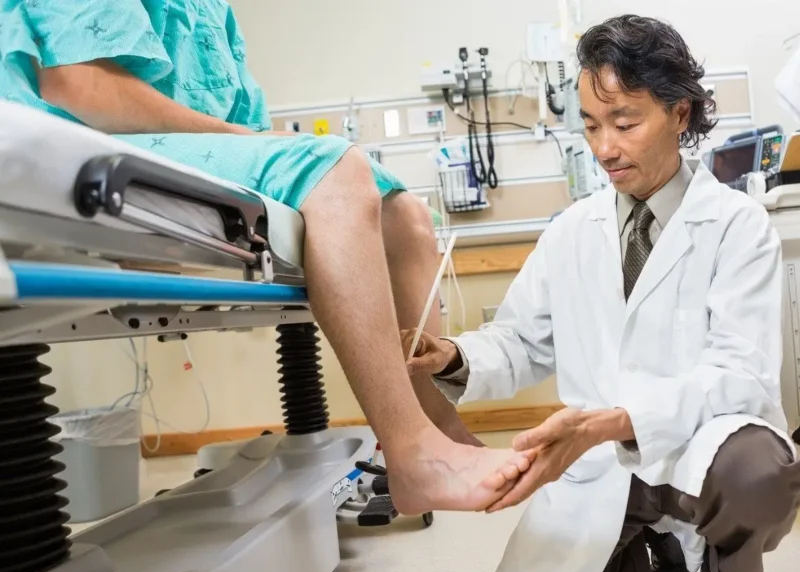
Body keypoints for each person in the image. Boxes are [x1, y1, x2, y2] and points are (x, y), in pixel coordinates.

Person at [0, 0, 535, 514]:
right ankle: (410, 453)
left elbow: (242, 117)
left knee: (408, 215)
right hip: (88, 139)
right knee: (335, 171)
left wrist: (259, 139)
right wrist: (254, 140)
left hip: (176, 146)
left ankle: (439, 426)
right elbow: (79, 85)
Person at [402, 14, 800, 572]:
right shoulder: (571, 232)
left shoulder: (738, 226)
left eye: (624, 122)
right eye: (591, 125)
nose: (605, 147)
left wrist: (615, 421)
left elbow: (741, 375)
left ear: (680, 114)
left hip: (700, 445)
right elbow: (521, 341)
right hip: (599, 467)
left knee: (759, 470)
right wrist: (453, 356)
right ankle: (653, 549)